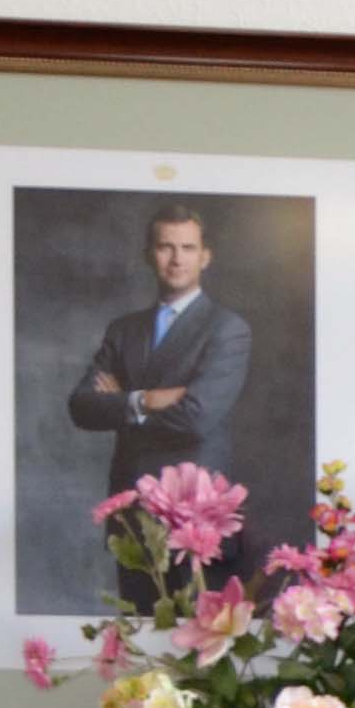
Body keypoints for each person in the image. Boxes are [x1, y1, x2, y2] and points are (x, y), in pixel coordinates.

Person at [69, 205, 252, 524]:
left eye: (188, 248)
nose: (177, 259)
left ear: (205, 257)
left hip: (195, 507)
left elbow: (196, 418)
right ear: (148, 255)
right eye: (166, 247)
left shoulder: (227, 329)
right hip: (130, 503)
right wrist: (146, 400)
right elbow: (82, 406)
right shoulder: (123, 330)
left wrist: (124, 403)